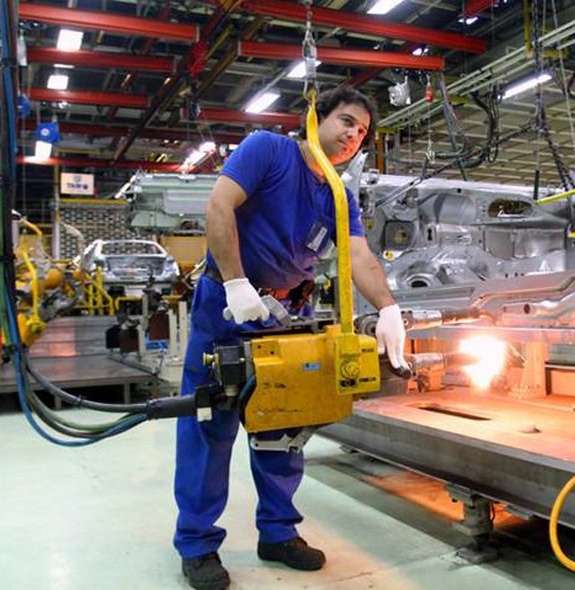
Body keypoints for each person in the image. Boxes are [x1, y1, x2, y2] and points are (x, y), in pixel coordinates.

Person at [174, 87, 409, 590]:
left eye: (362, 132)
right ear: (315, 117)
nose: (353, 136)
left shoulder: (339, 195)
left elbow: (360, 257)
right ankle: (196, 544)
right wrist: (236, 282)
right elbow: (219, 206)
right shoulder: (268, 150)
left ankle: (277, 533)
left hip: (285, 315)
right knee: (209, 427)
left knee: (284, 425)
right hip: (226, 306)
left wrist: (389, 308)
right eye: (346, 122)